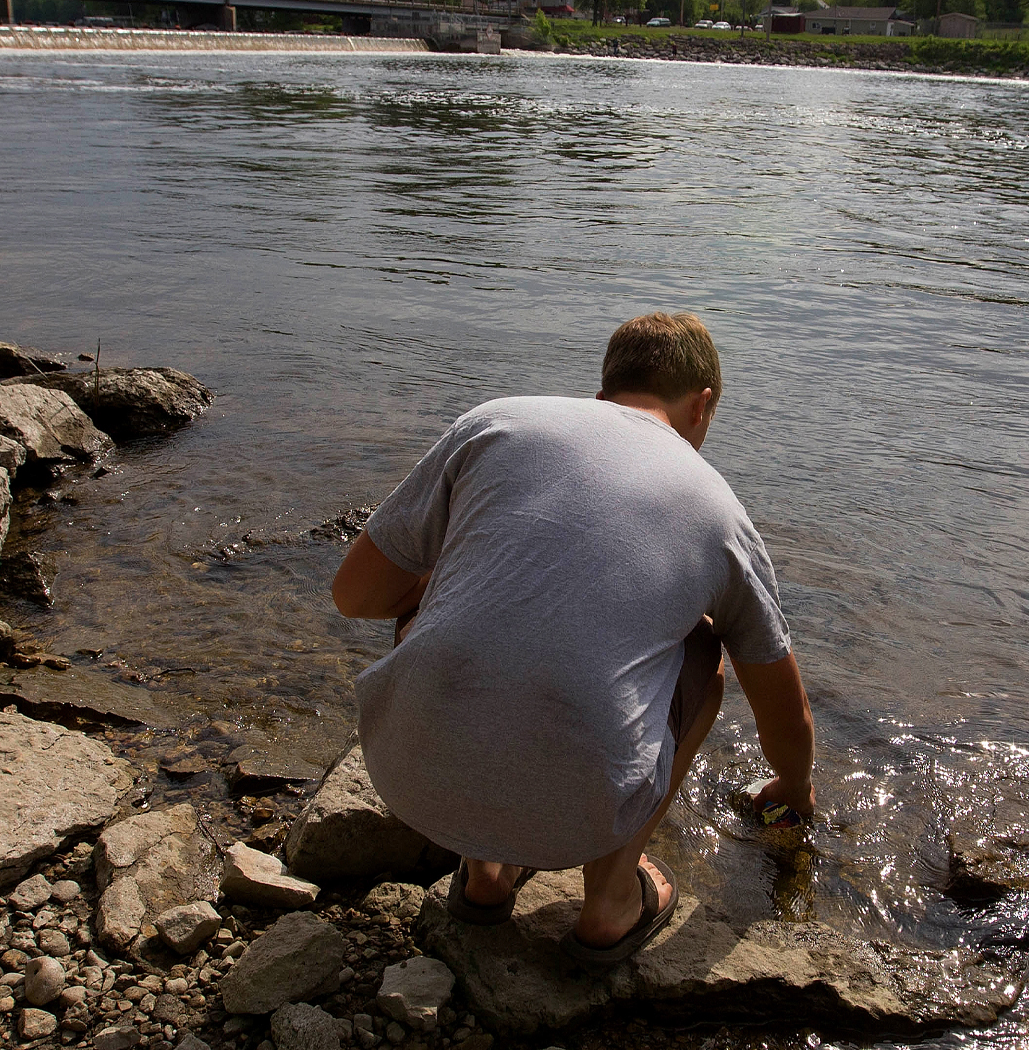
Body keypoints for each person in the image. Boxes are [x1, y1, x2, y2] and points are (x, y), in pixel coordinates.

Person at [331, 312, 817, 963]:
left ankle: (485, 874)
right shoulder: (719, 510)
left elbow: (353, 595)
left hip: (404, 774)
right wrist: (794, 787)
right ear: (702, 405)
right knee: (705, 650)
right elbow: (784, 708)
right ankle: (610, 900)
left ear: (602, 394)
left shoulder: (494, 422)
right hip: (579, 814)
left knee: (438, 596)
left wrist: (445, 588)